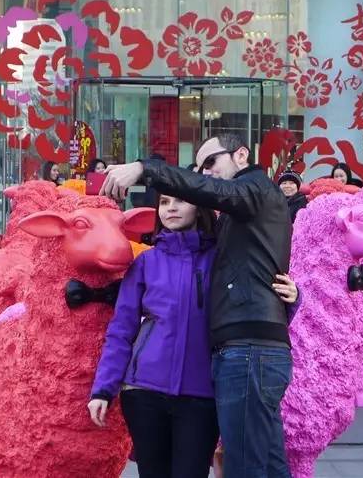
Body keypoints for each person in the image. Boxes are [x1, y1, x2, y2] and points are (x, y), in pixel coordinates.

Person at [100, 133, 295, 477]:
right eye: (164, 202)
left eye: (211, 163)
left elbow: (260, 280)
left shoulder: (253, 193)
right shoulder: (153, 260)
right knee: (265, 464)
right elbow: (123, 326)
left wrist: (145, 168)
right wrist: (105, 386)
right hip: (156, 388)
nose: (206, 174)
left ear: (241, 155)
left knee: (248, 466)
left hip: (229, 367)